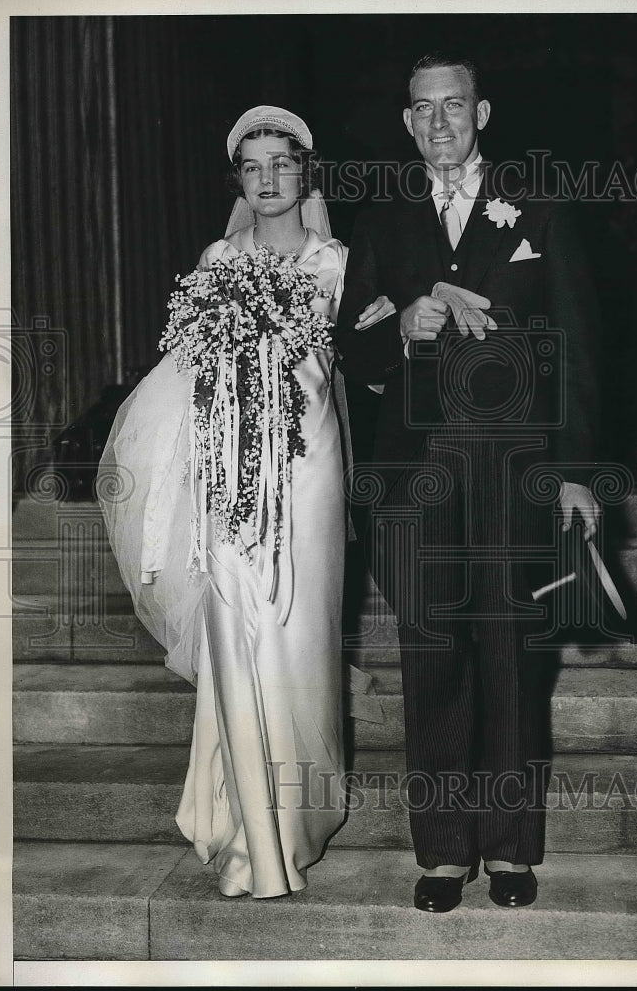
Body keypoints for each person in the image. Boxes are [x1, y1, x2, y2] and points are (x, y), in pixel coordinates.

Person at [99, 106, 390, 899]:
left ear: (306, 173)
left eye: (281, 164)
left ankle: (294, 817)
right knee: (236, 626)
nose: (266, 180)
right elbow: (188, 373)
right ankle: (244, 827)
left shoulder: (340, 263)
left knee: (296, 632)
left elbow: (358, 366)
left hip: (309, 467)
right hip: (228, 470)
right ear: (239, 179)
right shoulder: (217, 259)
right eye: (252, 166)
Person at [335, 55, 602, 912]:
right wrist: (401, 330)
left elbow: (582, 353)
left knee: (512, 658)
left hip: (515, 472)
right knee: (432, 658)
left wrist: (576, 474)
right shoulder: (379, 222)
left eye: (454, 105)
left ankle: (512, 847)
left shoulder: (541, 211)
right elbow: (350, 345)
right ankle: (446, 851)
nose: (440, 122)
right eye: (423, 109)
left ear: (481, 112)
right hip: (414, 478)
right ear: (407, 124)